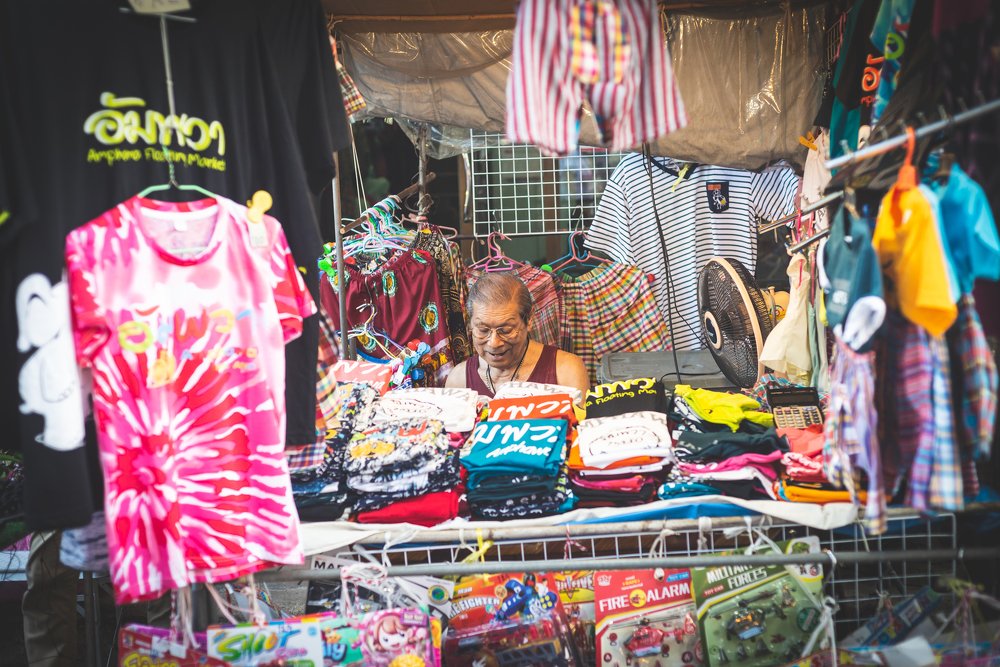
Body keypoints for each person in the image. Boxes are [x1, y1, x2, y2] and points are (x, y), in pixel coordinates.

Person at [446, 272, 589, 398]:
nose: (494, 343)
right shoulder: (459, 380)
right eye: (483, 330)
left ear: (529, 320)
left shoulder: (565, 371)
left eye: (506, 330)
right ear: (470, 323)